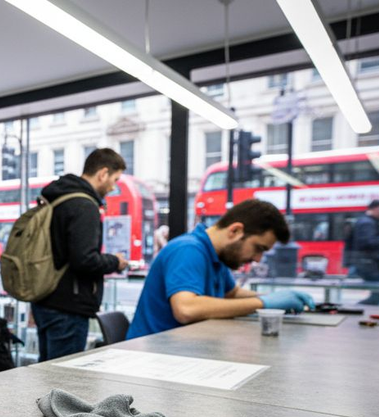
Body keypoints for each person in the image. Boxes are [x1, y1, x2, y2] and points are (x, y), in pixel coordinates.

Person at [127, 199, 315, 340]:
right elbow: (186, 309)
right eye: (258, 248)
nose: (258, 259)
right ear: (235, 231)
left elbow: (232, 294)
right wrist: (263, 303)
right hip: (152, 357)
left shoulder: (217, 255)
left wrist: (276, 298)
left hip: (181, 349)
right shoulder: (188, 250)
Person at [29, 148, 129, 360]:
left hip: (45, 298)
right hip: (68, 306)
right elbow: (84, 259)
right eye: (115, 179)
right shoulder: (84, 205)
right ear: (103, 173)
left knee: (47, 370)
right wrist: (115, 262)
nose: (113, 187)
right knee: (63, 375)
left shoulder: (58, 198)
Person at [345, 199, 379, 305]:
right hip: (368, 263)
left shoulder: (370, 221)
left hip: (370, 263)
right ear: (375, 209)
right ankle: (361, 308)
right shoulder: (367, 223)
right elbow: (367, 243)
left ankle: (362, 307)